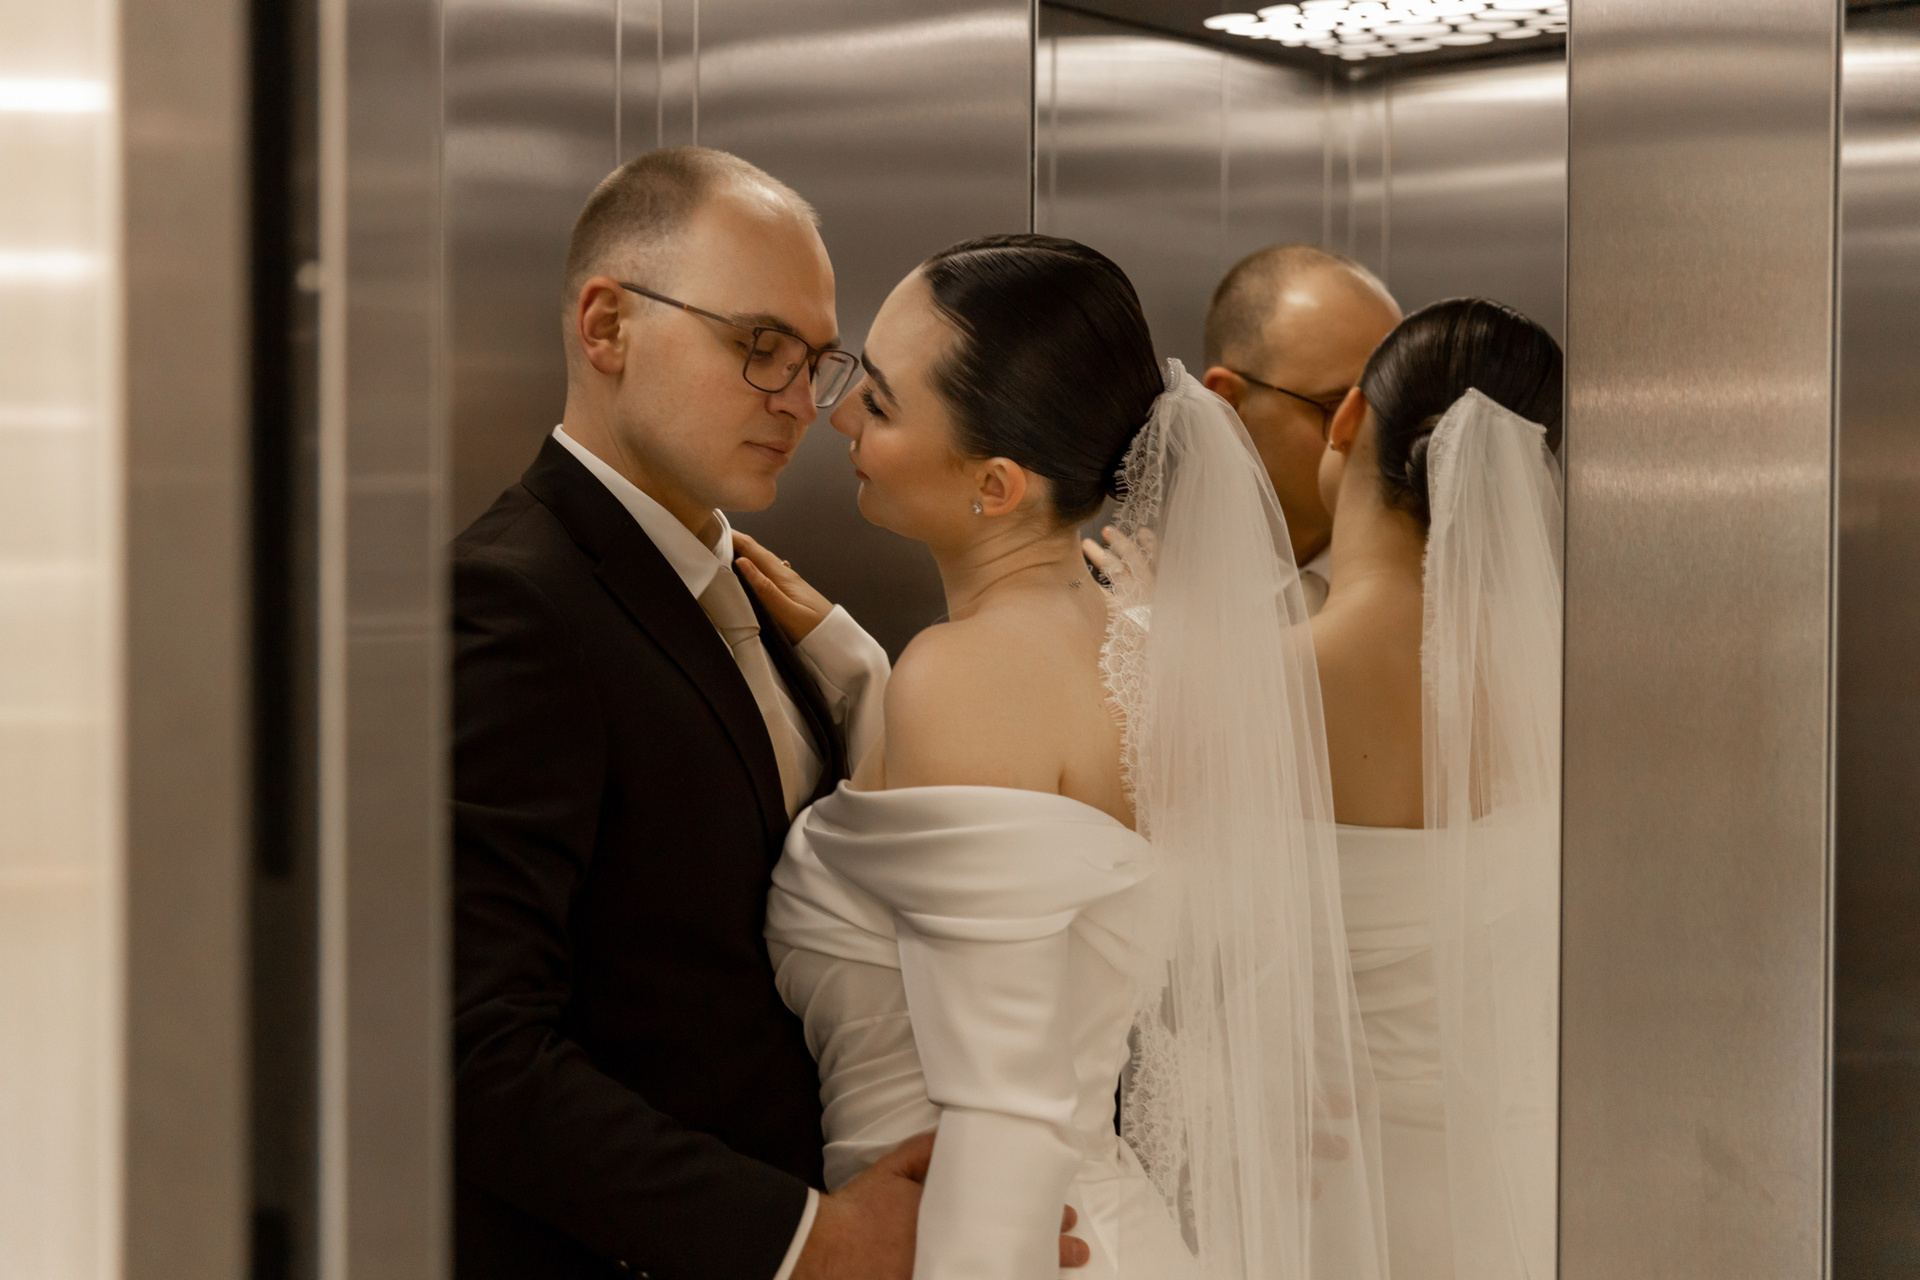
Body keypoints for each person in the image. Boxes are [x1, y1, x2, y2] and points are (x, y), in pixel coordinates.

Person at [452, 147, 1088, 1280]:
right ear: (607, 327)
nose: (800, 403)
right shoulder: (512, 599)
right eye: (758, 346)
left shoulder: (755, 597)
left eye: (816, 361)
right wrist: (807, 1239)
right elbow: (471, 1044)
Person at [746, 234, 1388, 1280]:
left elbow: (1003, 1114)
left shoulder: (963, 677)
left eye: (882, 403)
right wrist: (851, 657)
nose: (840, 414)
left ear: (996, 484)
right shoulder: (1128, 650)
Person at [1311, 298, 1565, 1280]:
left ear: (1347, 418)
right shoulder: (1563, 692)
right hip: (1516, 1192)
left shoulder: (1251, 683)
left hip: (1325, 1193)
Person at [1201, 244, 1402, 613]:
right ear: (1228, 404)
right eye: (1334, 406)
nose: (1379, 441)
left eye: (1392, 407)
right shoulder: (1136, 592)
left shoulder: (1441, 593)